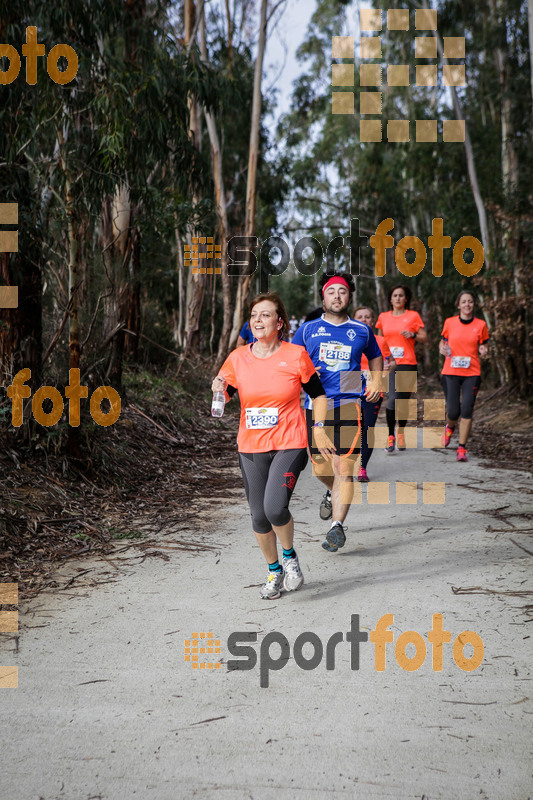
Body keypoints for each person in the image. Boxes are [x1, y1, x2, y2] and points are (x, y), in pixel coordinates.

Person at [212, 292, 331, 599]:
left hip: (288, 443)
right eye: (254, 316)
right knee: (258, 516)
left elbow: (317, 394)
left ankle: (290, 558)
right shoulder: (238, 357)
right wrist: (219, 390)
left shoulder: (294, 355)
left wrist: (318, 430)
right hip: (250, 446)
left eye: (265, 315)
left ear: (280, 322)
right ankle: (274, 571)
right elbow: (225, 398)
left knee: (275, 508)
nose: (258, 320)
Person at [292, 272, 383, 553]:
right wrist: (302, 373)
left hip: (349, 403)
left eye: (342, 292)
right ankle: (332, 491)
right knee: (320, 467)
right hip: (315, 405)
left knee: (345, 467)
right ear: (323, 296)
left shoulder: (362, 330)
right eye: (331, 292)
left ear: (349, 296)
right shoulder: (307, 329)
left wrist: (378, 380)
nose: (337, 296)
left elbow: (376, 355)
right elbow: (291, 361)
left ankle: (337, 526)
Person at [439, 290, 489, 462]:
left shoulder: (481, 325)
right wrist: (442, 348)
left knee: (467, 409)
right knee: (453, 411)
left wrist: (484, 350)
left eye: (470, 302)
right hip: (450, 372)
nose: (467, 304)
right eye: (464, 301)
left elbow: (484, 345)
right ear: (458, 305)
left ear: (473, 305)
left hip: (472, 373)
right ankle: (450, 427)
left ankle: (461, 448)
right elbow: (443, 341)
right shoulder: (449, 323)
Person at [376, 285, 427, 454]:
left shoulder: (413, 316)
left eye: (401, 296)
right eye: (395, 295)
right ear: (390, 299)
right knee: (392, 399)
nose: (397, 298)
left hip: (407, 363)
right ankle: (391, 436)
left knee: (403, 402)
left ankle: (401, 431)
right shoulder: (383, 317)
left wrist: (413, 335)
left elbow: (424, 337)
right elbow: (379, 339)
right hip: (389, 363)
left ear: (406, 299)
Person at [353, 306, 396, 481]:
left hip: (373, 388)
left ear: (372, 320)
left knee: (367, 428)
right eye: (360, 317)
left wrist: (389, 367)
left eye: (367, 317)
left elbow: (391, 361)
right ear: (354, 319)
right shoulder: (348, 338)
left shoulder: (380, 340)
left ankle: (362, 467)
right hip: (349, 388)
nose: (364, 320)